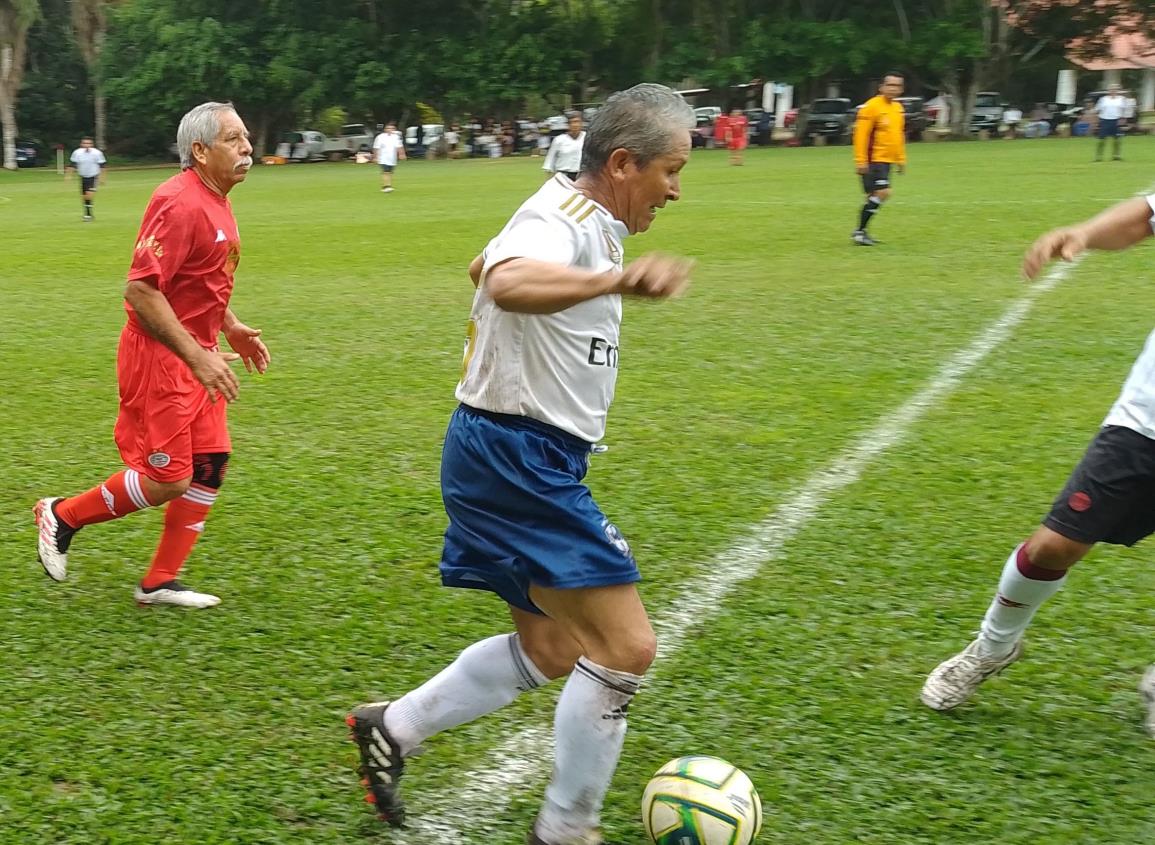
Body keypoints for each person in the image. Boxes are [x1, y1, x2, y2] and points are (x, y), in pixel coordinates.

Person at [346, 83, 696, 845]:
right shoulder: (566, 217)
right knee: (626, 644)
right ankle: (565, 830)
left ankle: (390, 727)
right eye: (671, 170)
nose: (674, 189)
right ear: (625, 162)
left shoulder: (585, 221)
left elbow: (483, 265)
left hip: (509, 452)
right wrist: (614, 281)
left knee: (551, 645)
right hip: (515, 455)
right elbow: (502, 279)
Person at [921, 193, 1155, 734]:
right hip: (1147, 419)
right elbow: (1146, 217)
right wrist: (1085, 233)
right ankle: (992, 647)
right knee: (1057, 545)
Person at [34, 101, 269, 609]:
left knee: (209, 464)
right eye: (234, 139)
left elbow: (197, 280)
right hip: (160, 355)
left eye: (246, 137)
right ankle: (63, 515)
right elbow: (142, 292)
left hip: (195, 351)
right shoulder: (178, 201)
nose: (247, 147)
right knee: (169, 477)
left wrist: (229, 327)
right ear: (200, 151)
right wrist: (197, 356)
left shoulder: (216, 198)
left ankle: (159, 582)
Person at [852, 71, 907, 247]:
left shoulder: (898, 108)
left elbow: (898, 135)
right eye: (890, 85)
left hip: (887, 160)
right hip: (873, 159)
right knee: (883, 193)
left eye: (897, 86)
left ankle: (861, 233)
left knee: (873, 196)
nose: (893, 89)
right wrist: (861, 160)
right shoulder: (871, 107)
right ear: (881, 87)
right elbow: (861, 135)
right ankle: (859, 232)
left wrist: (900, 159)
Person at [67, 136, 106, 221]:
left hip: (93, 176)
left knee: (89, 195)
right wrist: (69, 175)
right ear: (81, 144)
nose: (87, 145)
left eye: (89, 143)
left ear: (92, 144)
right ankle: (88, 213)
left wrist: (102, 178)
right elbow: (72, 164)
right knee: (84, 196)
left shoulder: (97, 153)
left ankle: (88, 215)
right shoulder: (77, 153)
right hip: (83, 176)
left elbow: (102, 166)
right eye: (85, 143)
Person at [542, 113, 585, 180]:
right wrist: (548, 180)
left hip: (582, 177)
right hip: (563, 176)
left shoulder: (588, 138)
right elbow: (550, 160)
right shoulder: (559, 140)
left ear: (581, 123)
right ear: (568, 125)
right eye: (572, 122)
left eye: (577, 122)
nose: (575, 125)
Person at [1094, 83, 1126, 161]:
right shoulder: (1103, 99)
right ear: (1108, 91)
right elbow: (1097, 110)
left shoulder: (1121, 99)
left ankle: (1116, 155)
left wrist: (1123, 120)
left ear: (1118, 91)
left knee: (1117, 140)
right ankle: (1099, 156)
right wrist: (1097, 121)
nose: (1113, 91)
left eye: (1115, 89)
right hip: (1105, 120)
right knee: (1101, 140)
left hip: (1116, 121)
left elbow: (1124, 110)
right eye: (1111, 89)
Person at [372, 122, 406, 192]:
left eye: (392, 128)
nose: (390, 130)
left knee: (390, 172)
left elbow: (399, 146)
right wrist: (375, 157)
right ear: (385, 129)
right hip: (383, 157)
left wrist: (401, 154)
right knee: (386, 172)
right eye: (388, 128)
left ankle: (389, 185)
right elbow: (376, 147)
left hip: (392, 158)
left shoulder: (396, 137)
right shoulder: (380, 137)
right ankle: (386, 186)